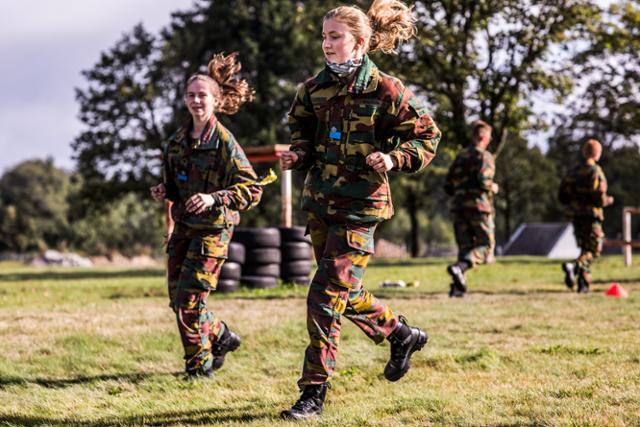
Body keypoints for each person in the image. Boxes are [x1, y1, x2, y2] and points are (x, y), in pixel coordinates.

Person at [278, 0, 441, 419]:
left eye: (335, 37)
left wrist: (393, 159)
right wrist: (296, 155)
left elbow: (426, 136)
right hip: (320, 204)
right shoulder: (313, 88)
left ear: (360, 41)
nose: (326, 44)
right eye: (324, 37)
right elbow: (302, 132)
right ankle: (400, 332)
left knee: (323, 296)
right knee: (343, 293)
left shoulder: (386, 89)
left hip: (362, 208)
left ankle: (313, 393)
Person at [150, 52, 263, 377]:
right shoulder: (175, 143)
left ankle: (199, 368)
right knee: (179, 302)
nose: (196, 101)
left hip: (212, 233)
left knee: (189, 302)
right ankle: (221, 335)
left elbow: (252, 190)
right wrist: (163, 190)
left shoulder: (225, 142)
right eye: (191, 95)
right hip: (183, 231)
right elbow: (175, 187)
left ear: (215, 99)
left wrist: (215, 199)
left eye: (202, 95)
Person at [444, 120, 498, 297]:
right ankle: (459, 268)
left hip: (459, 207)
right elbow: (484, 180)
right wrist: (493, 187)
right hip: (478, 207)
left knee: (465, 247)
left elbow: (448, 185)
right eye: (489, 137)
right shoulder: (485, 156)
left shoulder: (460, 157)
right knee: (486, 246)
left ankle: (457, 288)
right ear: (483, 137)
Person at [558, 138, 614, 293]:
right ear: (598, 154)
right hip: (591, 215)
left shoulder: (573, 171)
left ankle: (583, 284)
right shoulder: (595, 171)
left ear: (584, 152)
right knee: (594, 250)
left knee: (584, 248)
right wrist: (607, 201)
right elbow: (599, 196)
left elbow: (562, 194)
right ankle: (574, 266)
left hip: (576, 215)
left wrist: (574, 204)